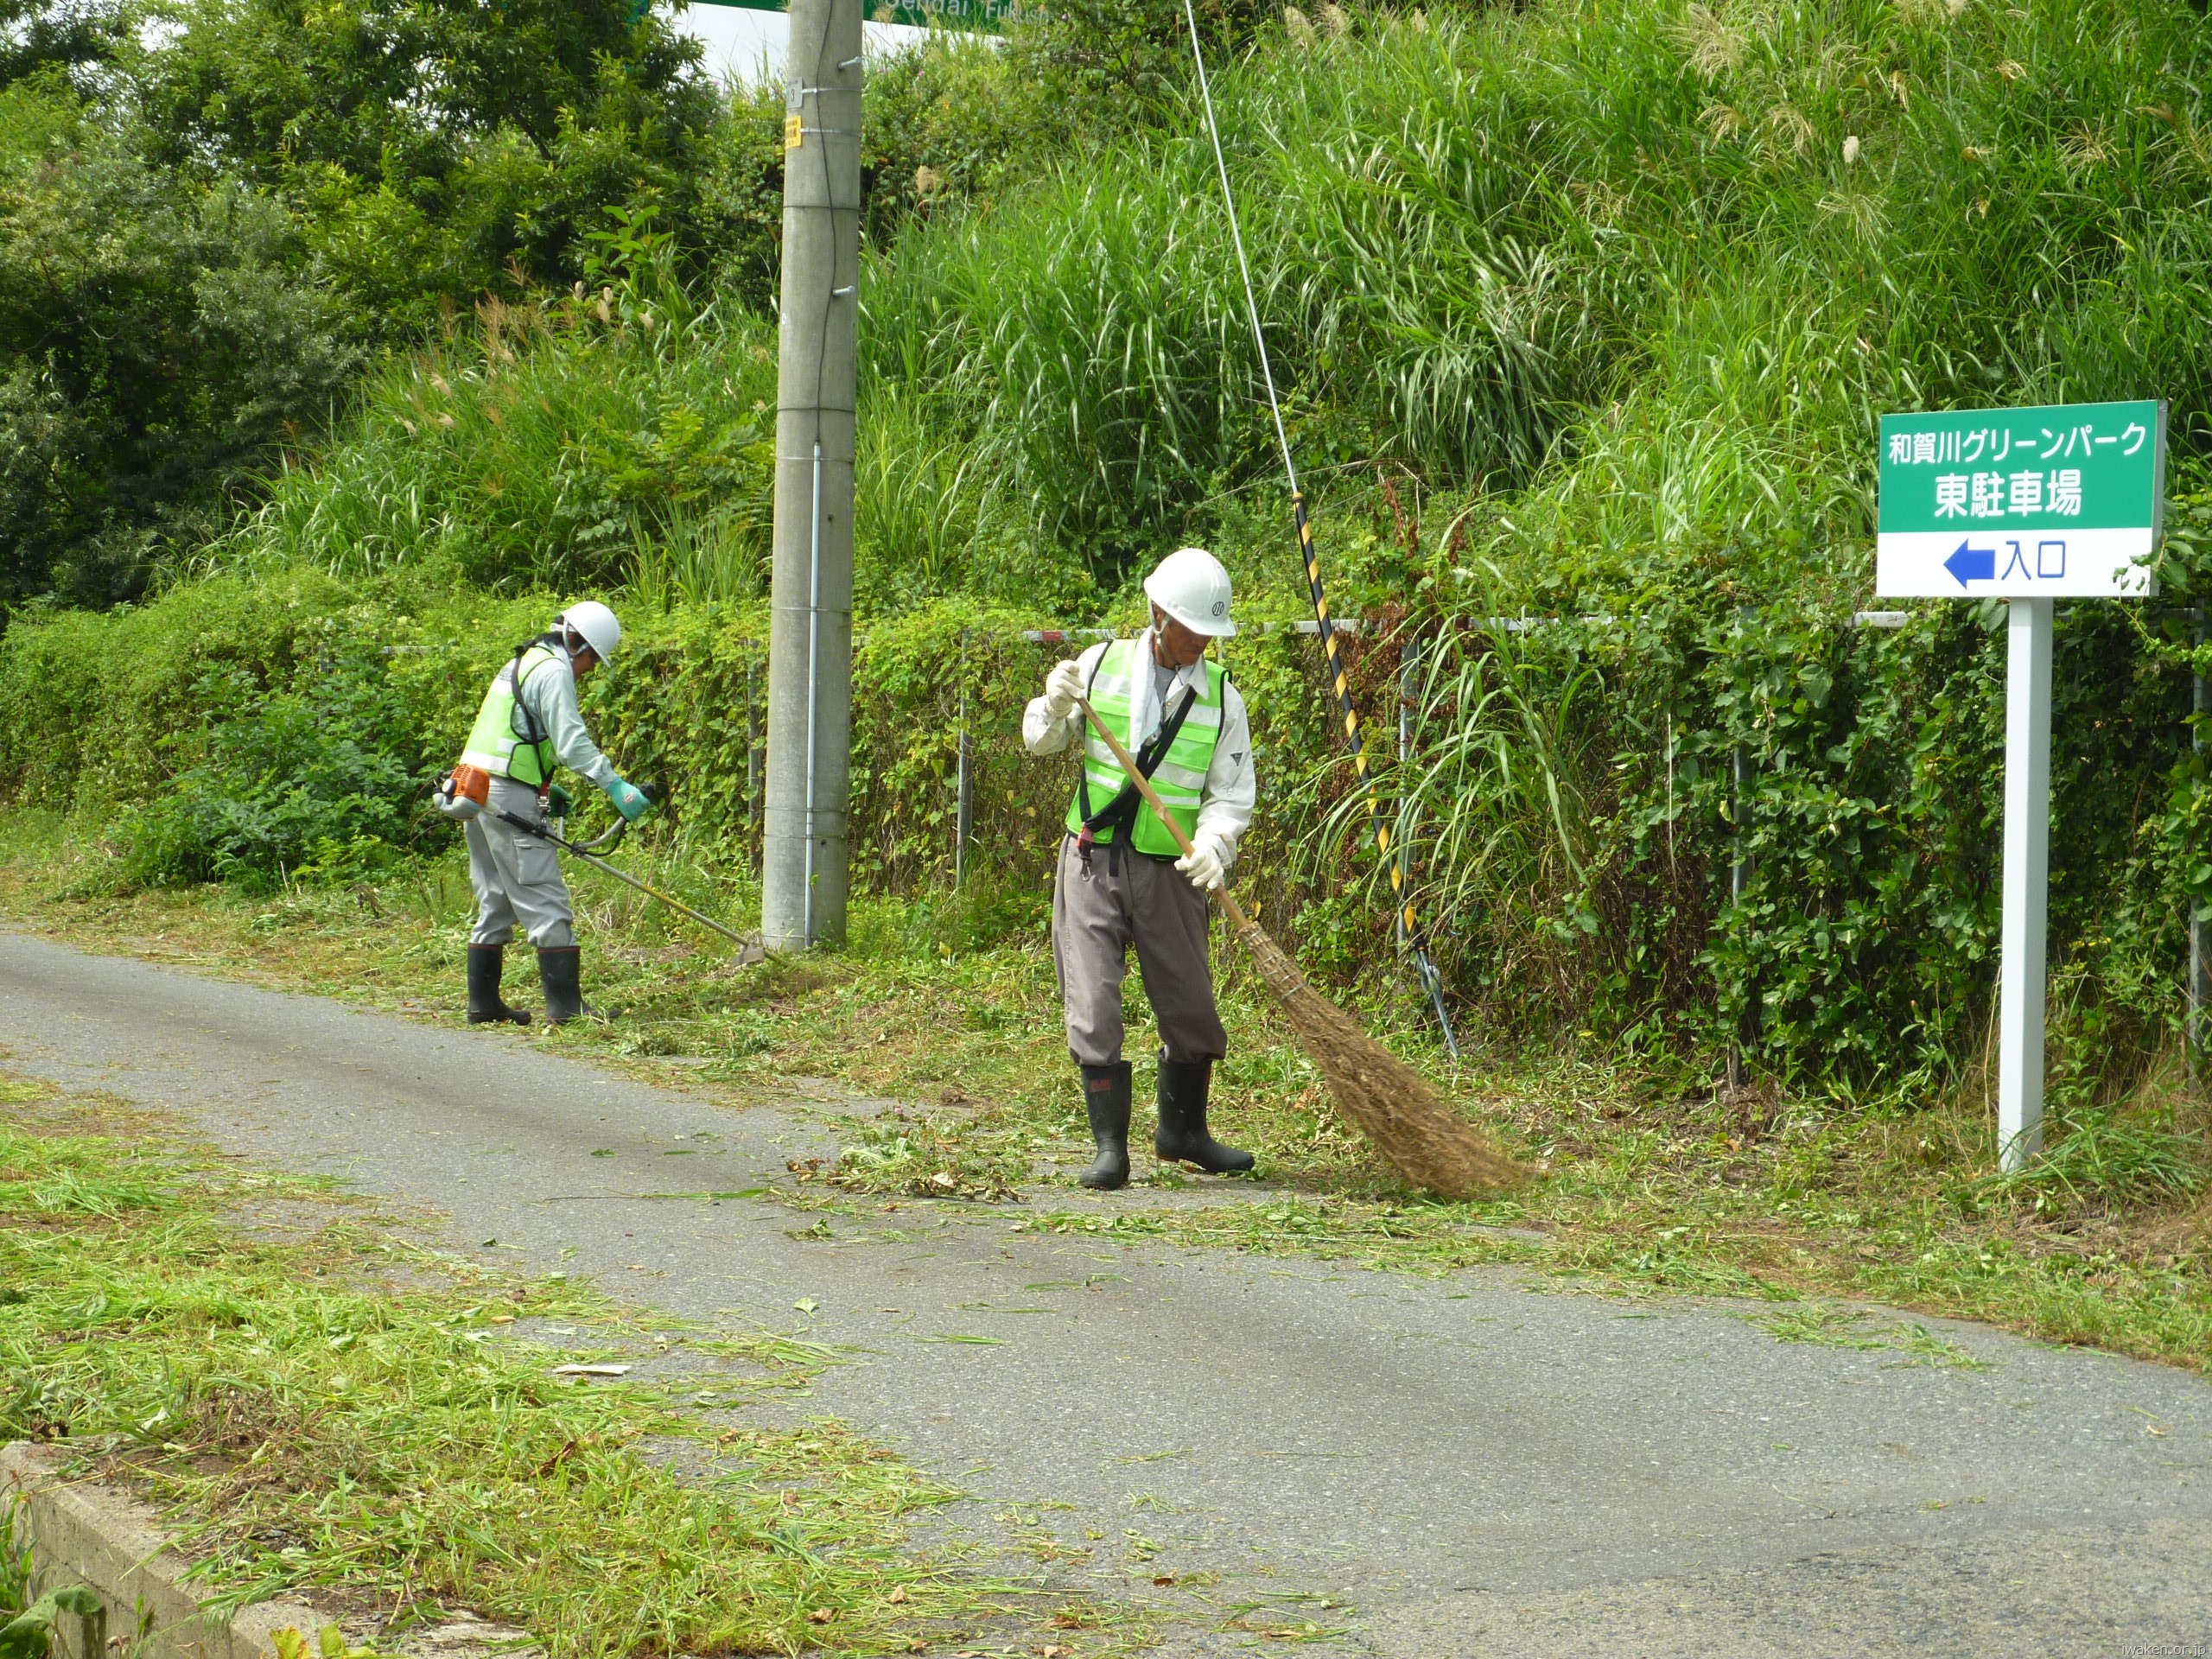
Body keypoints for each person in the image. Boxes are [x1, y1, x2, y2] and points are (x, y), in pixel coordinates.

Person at [1024, 547, 1257, 1190]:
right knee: (1093, 1002)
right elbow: (1040, 741)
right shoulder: (1098, 668)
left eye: (1212, 631)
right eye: (1192, 628)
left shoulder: (1222, 700)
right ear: (1158, 614)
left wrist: (1215, 843)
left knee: (1191, 1007)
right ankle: (1109, 1149)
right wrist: (1055, 704)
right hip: (1091, 862)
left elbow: (1230, 794)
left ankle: (1183, 1132)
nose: (1202, 642)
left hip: (1171, 875)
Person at [457, 601, 652, 1026]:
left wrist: (542, 779)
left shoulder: (524, 660)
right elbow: (572, 742)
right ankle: (567, 1007)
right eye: (592, 660)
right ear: (576, 643)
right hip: (504, 793)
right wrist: (615, 784)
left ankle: (483, 1005)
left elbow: (514, 731)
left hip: (475, 787)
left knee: (495, 898)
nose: (591, 670)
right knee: (544, 895)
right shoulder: (554, 669)